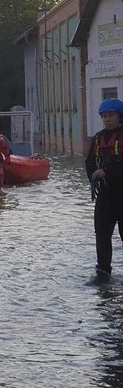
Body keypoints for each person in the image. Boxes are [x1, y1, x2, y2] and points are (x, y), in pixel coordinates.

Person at [85, 98, 123, 284]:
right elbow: (90, 162)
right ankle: (103, 273)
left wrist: (106, 171)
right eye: (105, 116)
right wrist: (93, 174)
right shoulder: (98, 138)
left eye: (111, 116)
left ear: (119, 116)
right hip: (105, 195)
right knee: (101, 234)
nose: (108, 119)